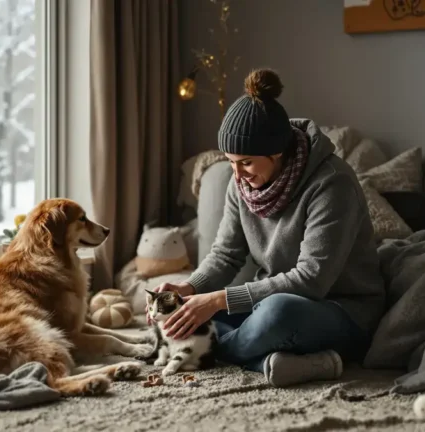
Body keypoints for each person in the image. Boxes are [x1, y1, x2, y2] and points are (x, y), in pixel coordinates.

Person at [152, 68, 386, 388]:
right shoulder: (241, 185)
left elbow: (312, 279)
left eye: (246, 162)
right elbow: (226, 254)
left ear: (277, 152)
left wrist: (218, 300)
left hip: (341, 311)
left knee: (275, 315)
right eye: (230, 161)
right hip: (270, 301)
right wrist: (190, 290)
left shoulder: (332, 183)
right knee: (184, 314)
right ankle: (274, 361)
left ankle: (211, 354)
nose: (237, 173)